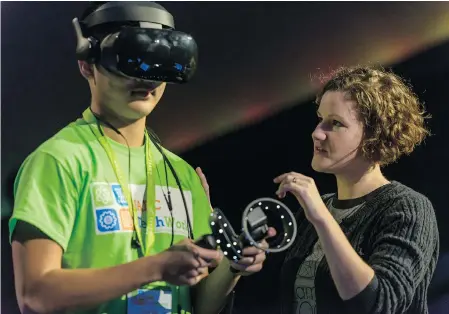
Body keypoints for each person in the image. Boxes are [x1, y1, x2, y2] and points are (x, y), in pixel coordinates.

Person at [8, 2, 272, 314]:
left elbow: (199, 305)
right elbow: (35, 294)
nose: (146, 78)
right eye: (129, 59)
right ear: (87, 64)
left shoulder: (181, 174)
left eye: (160, 61)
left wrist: (233, 266)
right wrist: (155, 267)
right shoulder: (58, 161)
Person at [274, 65, 439, 313]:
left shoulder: (408, 208)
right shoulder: (315, 212)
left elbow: (378, 304)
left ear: (374, 135)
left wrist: (321, 217)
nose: (317, 133)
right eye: (320, 119)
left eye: (335, 123)